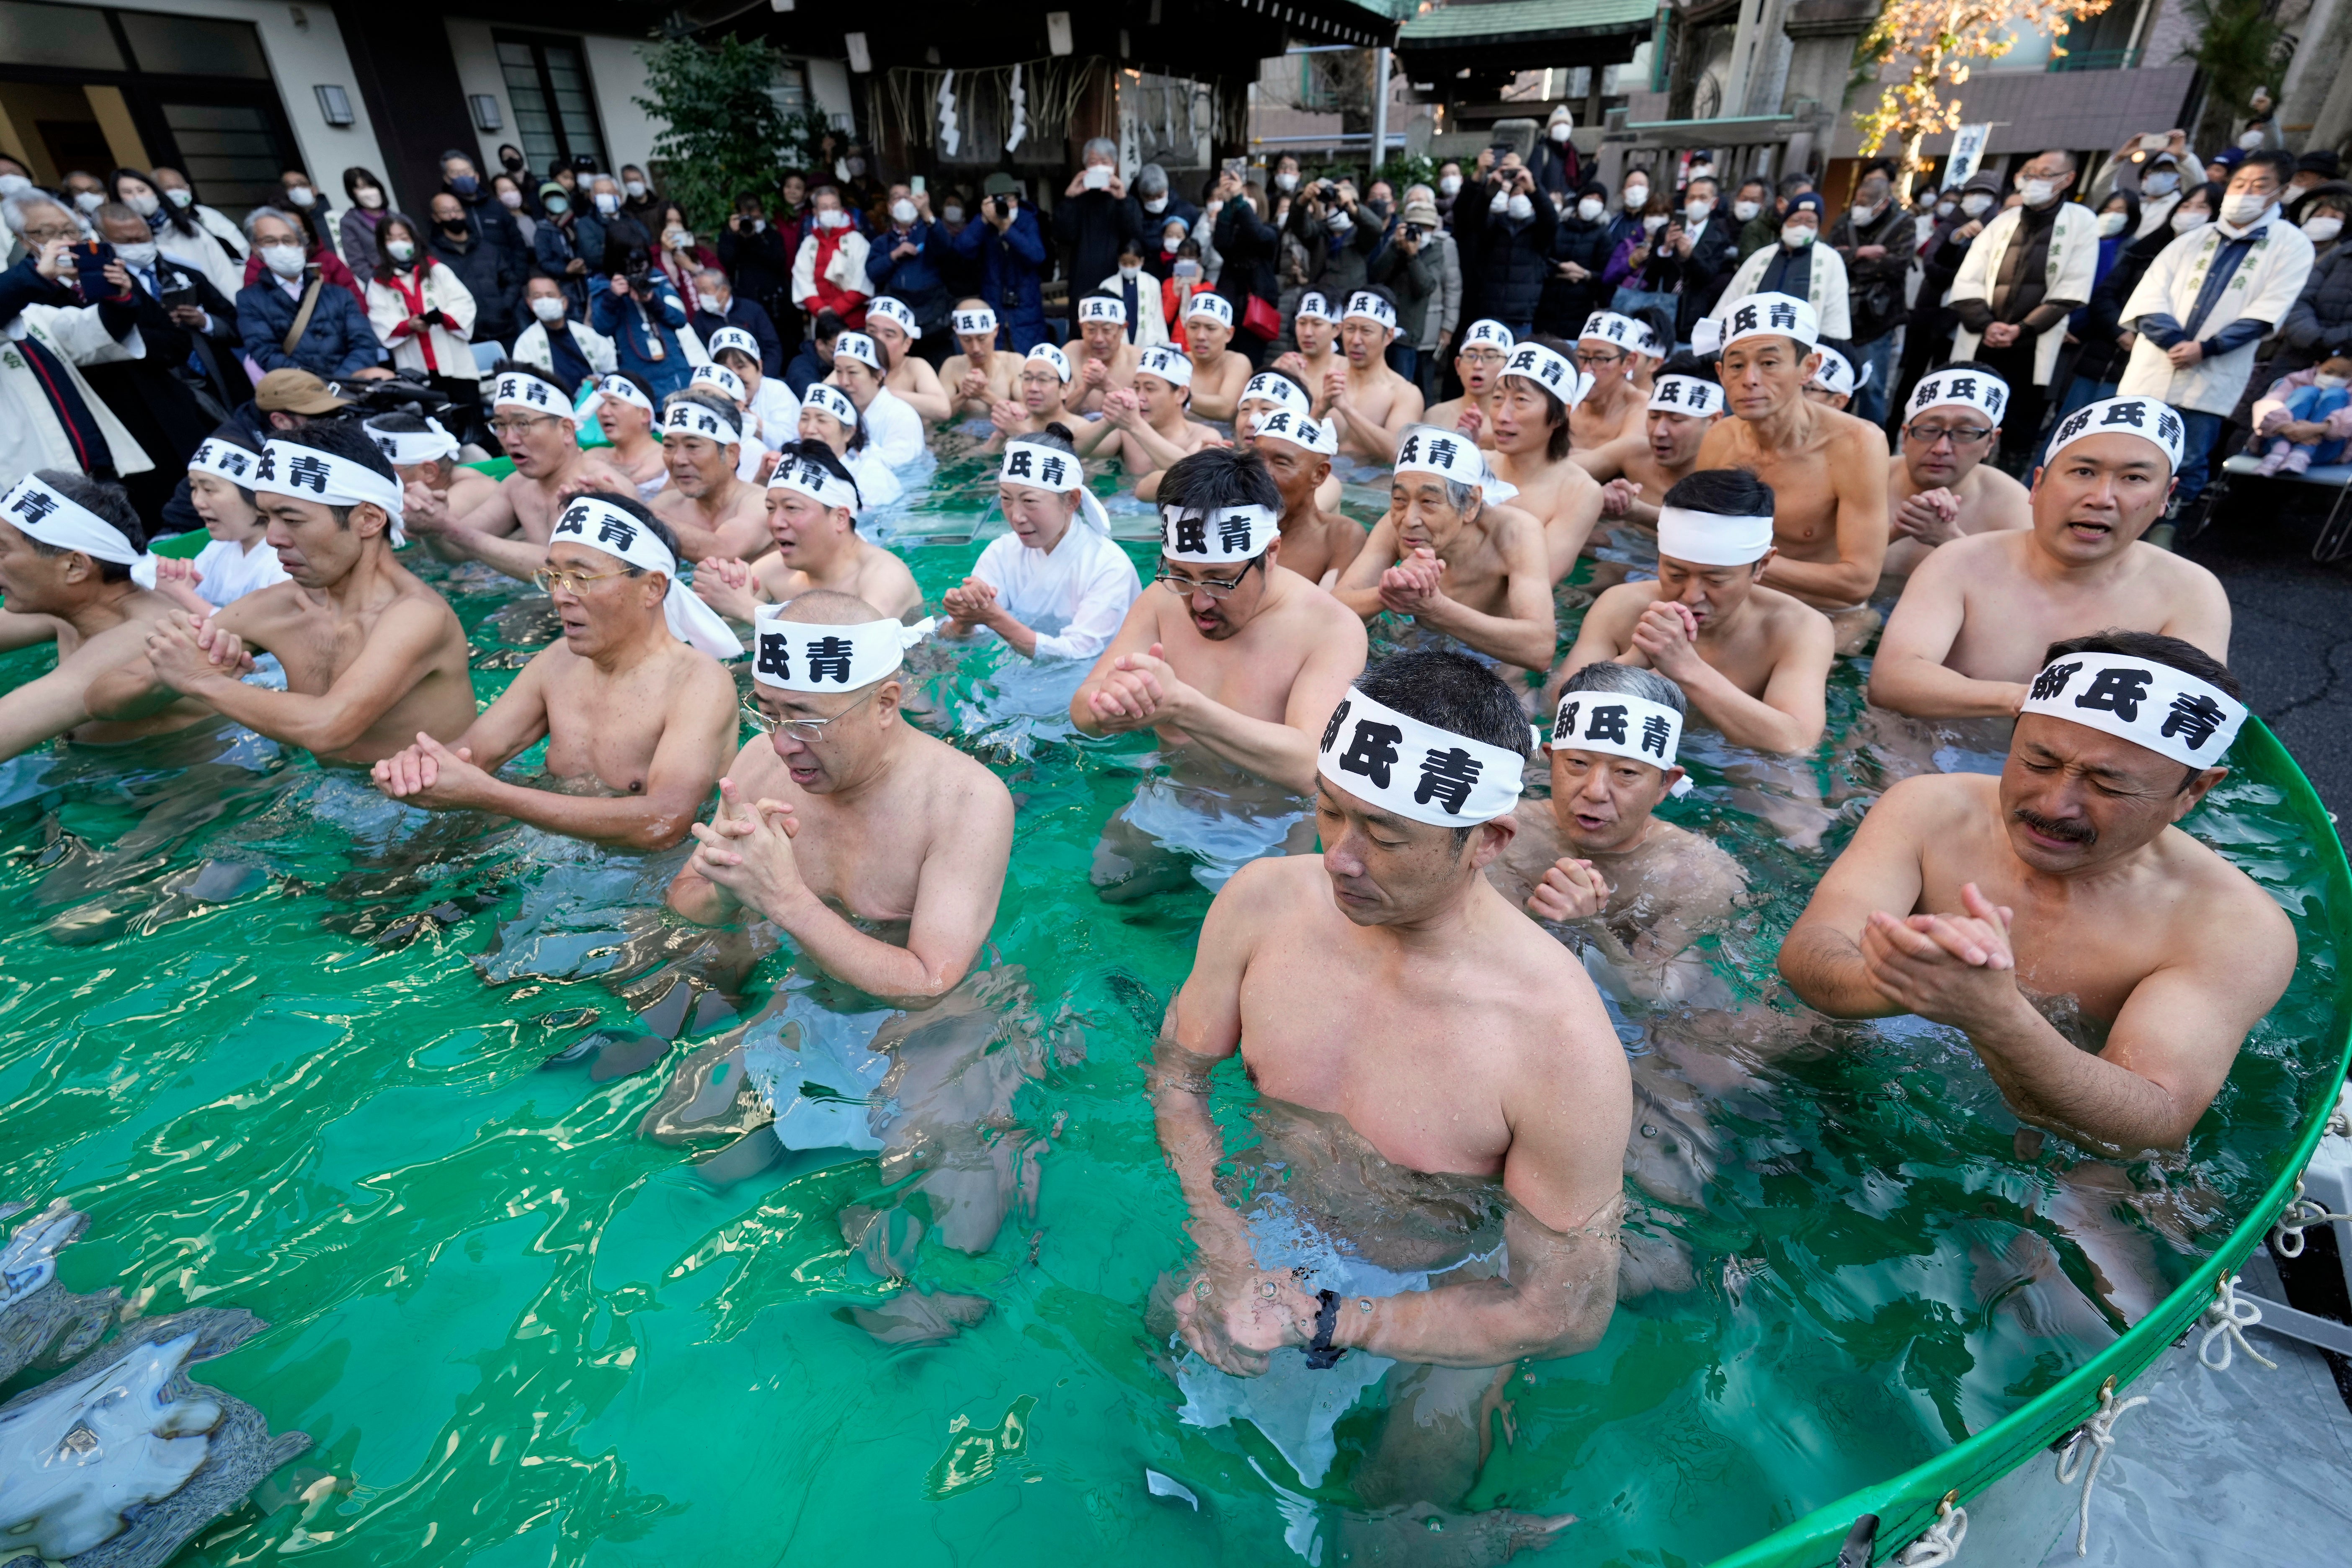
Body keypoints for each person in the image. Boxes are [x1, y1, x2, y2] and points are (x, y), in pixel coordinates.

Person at [1152, 649, 1627, 1524]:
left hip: (1446, 1290)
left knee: (1397, 1519)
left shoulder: (1557, 1042)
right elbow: (1178, 1077)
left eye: (1386, 835)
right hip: (1267, 1231)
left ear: (1489, 840)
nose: (1340, 857)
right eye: (1329, 813)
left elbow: (1563, 1310)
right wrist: (1223, 1246)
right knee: (1155, 1384)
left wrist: (1343, 1321)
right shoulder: (1264, 903)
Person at [1781, 632, 2292, 1155]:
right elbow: (1810, 953)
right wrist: (1908, 984)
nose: (2054, 805)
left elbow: (2155, 1121)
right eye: (2039, 762)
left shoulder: (2234, 927)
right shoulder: (1930, 810)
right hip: (1880, 1054)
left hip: (2057, 1142)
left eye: (2107, 786)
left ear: (2194, 792)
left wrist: (1997, 1017)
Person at [666, 591, 1014, 1005]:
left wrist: (785, 899)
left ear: (885, 704)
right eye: (768, 714)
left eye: (805, 721)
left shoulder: (967, 802)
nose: (781, 745)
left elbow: (931, 983)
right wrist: (725, 892)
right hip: (786, 985)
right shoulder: (759, 761)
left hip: (911, 1018)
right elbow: (682, 899)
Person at [1073, 445, 1368, 897]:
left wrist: (1183, 707)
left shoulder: (1331, 628)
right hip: (1171, 795)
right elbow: (1082, 708)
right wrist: (1109, 707)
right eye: (1181, 575)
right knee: (1109, 892)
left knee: (1254, 937)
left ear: (1271, 553)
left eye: (1219, 579)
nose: (1199, 601)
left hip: (1271, 819)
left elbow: (1312, 767)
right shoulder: (1163, 599)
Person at [85, 423, 477, 764]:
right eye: (268, 517)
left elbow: (328, 727)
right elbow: (101, 698)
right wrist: (169, 674)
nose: (273, 538)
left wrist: (202, 680)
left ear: (369, 520)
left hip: (445, 825)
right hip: (337, 804)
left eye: (292, 519)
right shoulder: (278, 607)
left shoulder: (416, 616)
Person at [372, 493, 739, 849]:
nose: (560, 596)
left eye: (581, 579)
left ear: (652, 588)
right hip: (550, 853)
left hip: (647, 877)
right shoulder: (559, 659)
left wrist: (496, 796)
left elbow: (665, 822)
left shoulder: (699, 684)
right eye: (554, 576)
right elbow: (476, 751)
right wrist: (417, 767)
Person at [1869, 396, 2231, 720]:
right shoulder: (1961, 561)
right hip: (1924, 761)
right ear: (2038, 484)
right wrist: (2033, 699)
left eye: (2134, 478)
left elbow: (2189, 720)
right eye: (2083, 472)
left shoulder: (2191, 593)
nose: (2102, 497)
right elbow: (1892, 679)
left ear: (2166, 496)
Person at [1486, 663, 1744, 1003]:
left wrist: (1588, 928)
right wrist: (1543, 919)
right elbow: (1480, 958)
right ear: (1550, 760)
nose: (1595, 791)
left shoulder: (1700, 875)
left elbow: (1652, 1003)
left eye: (1626, 772)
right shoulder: (1502, 833)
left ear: (1666, 784)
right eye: (1578, 764)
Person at [1555, 468, 1832, 754]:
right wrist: (1630, 665)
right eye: (1676, 574)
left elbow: (1798, 743)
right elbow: (1555, 709)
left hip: (1735, 763)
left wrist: (1687, 668)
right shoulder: (1622, 606)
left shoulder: (1799, 628)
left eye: (1715, 581)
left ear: (1761, 566)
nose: (1691, 595)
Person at [2119, 150, 2315, 521]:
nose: (2246, 193)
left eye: (2260, 186)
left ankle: (2166, 530)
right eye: (2240, 184)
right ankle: (2125, 523)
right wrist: (2171, 339)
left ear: (2282, 191)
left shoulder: (2291, 244)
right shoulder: (2196, 237)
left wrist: (2207, 348)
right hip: (2156, 363)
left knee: (2189, 457)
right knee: (2131, 444)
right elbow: (2151, 293)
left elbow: (2268, 310)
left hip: (2212, 372)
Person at [1694, 292, 1890, 651]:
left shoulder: (1858, 444)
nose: (1750, 379)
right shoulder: (1720, 438)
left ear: (1809, 368)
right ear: (1721, 374)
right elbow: (1695, 540)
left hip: (1826, 614)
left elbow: (1859, 582)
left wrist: (1739, 560)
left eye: (1769, 363)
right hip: (1737, 605)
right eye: (1736, 366)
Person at [0, 470, 226, 759]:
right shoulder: (71, 608)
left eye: (2, 551)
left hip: (179, 793)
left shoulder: (147, 636)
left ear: (74, 567)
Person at [1333, 424, 1554, 674]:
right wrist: (1387, 595)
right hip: (1421, 645)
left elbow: (1540, 649)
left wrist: (1436, 608)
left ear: (1470, 504)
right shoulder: (1396, 524)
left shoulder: (1516, 533)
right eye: (1399, 500)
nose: (1409, 519)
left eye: (1429, 502)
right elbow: (1334, 607)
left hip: (1493, 663)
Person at [74, 204, 236, 525]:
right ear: (104, 240)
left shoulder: (178, 271)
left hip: (194, 393)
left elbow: (178, 339)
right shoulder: (90, 286)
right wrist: (121, 340)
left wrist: (202, 321)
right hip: (130, 418)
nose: (138, 246)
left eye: (142, 237)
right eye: (127, 240)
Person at [400, 366, 632, 577]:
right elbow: (454, 551)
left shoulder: (603, 486)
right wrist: (430, 527)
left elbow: (565, 571)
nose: (510, 440)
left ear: (566, 430)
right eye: (501, 426)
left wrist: (449, 528)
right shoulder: (517, 486)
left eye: (523, 425)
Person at [941, 429, 1141, 663]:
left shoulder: (1109, 566)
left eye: (1029, 502)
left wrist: (994, 618)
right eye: (1006, 499)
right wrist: (964, 620)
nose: (1016, 516)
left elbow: (1079, 653)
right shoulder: (1001, 553)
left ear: (1071, 501)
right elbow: (960, 639)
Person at [1948, 151, 2100, 453]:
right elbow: (1968, 279)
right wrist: (1986, 324)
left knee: (2017, 432)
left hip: (2030, 347)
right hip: (1983, 340)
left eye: (2044, 174)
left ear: (2067, 180)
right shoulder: (2003, 221)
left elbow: (2072, 289)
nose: (2032, 181)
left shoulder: (2081, 221)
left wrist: (2022, 329)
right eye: (2028, 173)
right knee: (1966, 421)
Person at [691, 441, 921, 625]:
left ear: (840, 518)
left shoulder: (885, 575)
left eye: (792, 508)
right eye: (771, 509)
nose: (776, 522)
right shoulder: (773, 571)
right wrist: (715, 595)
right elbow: (721, 639)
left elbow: (858, 647)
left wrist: (743, 606)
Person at [1883, 365, 2032, 582]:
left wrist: (1949, 540)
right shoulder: (1865, 478)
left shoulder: (2013, 505)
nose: (1942, 448)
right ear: (1905, 436)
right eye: (1929, 431)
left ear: (1991, 441)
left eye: (1965, 433)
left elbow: (2023, 597)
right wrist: (1897, 530)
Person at [1485, 340, 1606, 579]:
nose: (1502, 415)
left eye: (1521, 401)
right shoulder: (1477, 464)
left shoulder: (1580, 492)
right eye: (1498, 398)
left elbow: (1537, 583)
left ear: (1560, 415)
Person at [139, 432, 289, 614]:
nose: (197, 502)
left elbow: (257, 632)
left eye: (209, 489)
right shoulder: (217, 550)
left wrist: (180, 593)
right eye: (194, 488)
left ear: (258, 500)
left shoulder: (285, 561)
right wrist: (174, 577)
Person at [234, 207, 387, 383]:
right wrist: (315, 386)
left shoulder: (340, 295)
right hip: (298, 393)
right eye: (270, 241)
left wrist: (339, 383)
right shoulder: (250, 300)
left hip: (350, 387)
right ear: (256, 248)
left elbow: (364, 344)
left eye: (288, 240)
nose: (282, 247)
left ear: (302, 245)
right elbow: (266, 353)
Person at [1573, 354, 1723, 531]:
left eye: (1676, 420)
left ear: (1713, 421)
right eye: (1654, 417)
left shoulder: (1728, 474)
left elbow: (1713, 531)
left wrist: (1636, 511)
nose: (1659, 431)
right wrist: (1594, 492)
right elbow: (1555, 473)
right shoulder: (1634, 453)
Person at [1825, 160, 1911, 426]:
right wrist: (1860, 254)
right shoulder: (1844, 221)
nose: (1860, 210)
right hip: (1841, 316)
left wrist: (1849, 261)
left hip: (1877, 319)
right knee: (1835, 383)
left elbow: (1898, 265)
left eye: (1867, 205)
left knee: (1873, 388)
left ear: (1884, 204)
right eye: (1858, 203)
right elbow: (1829, 258)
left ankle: (1872, 442)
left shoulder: (1903, 224)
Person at [637, 389, 769, 560]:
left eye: (692, 446)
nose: (678, 460)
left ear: (731, 454)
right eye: (669, 446)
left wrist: (646, 521)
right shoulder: (665, 506)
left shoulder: (762, 503)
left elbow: (724, 550)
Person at [368, 211, 482, 402]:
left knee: (468, 418)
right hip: (415, 367)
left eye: (404, 238)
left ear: (414, 239)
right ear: (382, 245)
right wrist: (408, 325)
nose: (398, 244)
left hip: (455, 363)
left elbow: (464, 303)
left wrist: (443, 318)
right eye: (391, 239)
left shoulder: (438, 270)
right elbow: (380, 317)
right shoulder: (379, 282)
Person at [1708, 193, 1852, 343]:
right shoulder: (1761, 257)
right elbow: (1733, 297)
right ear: (1784, 226)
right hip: (1752, 340)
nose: (1801, 226)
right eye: (1796, 220)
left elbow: (1836, 312)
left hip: (1800, 346)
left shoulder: (1830, 259)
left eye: (1810, 222)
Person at [1246, 407, 1361, 588]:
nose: (1263, 474)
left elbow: (1333, 611)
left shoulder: (1339, 537)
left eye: (1281, 463)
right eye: (1256, 460)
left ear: (1319, 475)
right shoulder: (1225, 517)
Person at [1070, 344, 1220, 478]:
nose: (1140, 398)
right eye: (1136, 388)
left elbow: (1192, 475)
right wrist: (1109, 420)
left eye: (1150, 389)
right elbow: (1072, 449)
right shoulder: (1127, 434)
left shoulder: (1203, 437)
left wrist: (1135, 426)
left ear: (1181, 394)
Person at [1324, 288, 1426, 462]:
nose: (1356, 340)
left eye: (1366, 331)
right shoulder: (1329, 378)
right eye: (1350, 329)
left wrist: (1346, 409)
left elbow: (1398, 453)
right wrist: (1320, 407)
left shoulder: (1405, 393)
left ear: (1388, 336)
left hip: (1372, 484)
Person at [949, 175, 1050, 352]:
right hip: (995, 310)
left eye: (1011, 199)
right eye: (1000, 200)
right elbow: (961, 250)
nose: (1008, 205)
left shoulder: (1027, 220)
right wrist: (983, 220)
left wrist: (1007, 229)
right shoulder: (982, 223)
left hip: (1026, 313)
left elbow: (1037, 256)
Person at [111, 166, 241, 301]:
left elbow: (224, 273)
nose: (137, 197)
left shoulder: (189, 228)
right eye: (127, 192)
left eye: (141, 190)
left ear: (155, 192)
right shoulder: (124, 245)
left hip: (216, 308)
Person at [1468, 157, 1558, 337]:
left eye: (1525, 194)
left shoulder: (1539, 232)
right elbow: (1475, 220)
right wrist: (1487, 194)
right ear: (1508, 201)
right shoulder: (1495, 226)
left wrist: (1534, 189)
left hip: (1521, 318)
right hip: (1490, 314)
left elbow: (1551, 219)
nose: (1520, 197)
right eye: (1516, 193)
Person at [425, 193, 518, 356]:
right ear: (436, 217)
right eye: (446, 212)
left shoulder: (487, 248)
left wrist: (505, 306)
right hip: (466, 333)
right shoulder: (432, 256)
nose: (454, 216)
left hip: (504, 327)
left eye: (457, 210)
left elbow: (511, 281)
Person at [863, 183, 951, 347]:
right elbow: (873, 273)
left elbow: (946, 248)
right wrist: (894, 255)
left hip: (933, 317)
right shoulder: (882, 242)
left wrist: (927, 214)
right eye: (897, 197)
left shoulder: (930, 231)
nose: (903, 201)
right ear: (890, 208)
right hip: (898, 318)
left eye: (908, 196)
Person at [1057, 139, 1140, 310]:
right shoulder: (1077, 201)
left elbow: (1135, 235)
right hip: (1083, 281)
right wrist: (1070, 199)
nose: (1099, 167)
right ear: (1085, 167)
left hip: (1117, 278)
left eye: (1105, 162)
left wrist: (1122, 200)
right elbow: (1063, 235)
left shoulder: (1126, 200)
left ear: (1114, 167)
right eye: (1094, 162)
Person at [826, 331, 926, 467]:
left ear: (879, 375)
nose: (844, 382)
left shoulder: (902, 416)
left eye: (853, 373)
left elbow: (903, 470)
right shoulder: (835, 412)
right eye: (838, 371)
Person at [706, 325, 801, 466]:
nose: (735, 376)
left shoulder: (776, 391)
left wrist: (748, 418)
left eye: (741, 366)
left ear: (760, 366)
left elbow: (791, 443)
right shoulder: (710, 397)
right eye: (726, 370)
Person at [799, 381, 903, 509]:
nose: (810, 429)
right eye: (804, 419)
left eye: (822, 420)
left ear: (848, 433)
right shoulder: (792, 465)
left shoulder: (870, 476)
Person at [2249, 351, 2352, 473]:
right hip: (2276, 443)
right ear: (2318, 365)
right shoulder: (2294, 381)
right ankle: (2279, 452)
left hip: (2323, 449)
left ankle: (2302, 454)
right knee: (2308, 392)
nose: (2334, 378)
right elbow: (2266, 406)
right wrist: (2287, 427)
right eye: (2329, 372)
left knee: (2336, 395)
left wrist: (2318, 429)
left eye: (2344, 376)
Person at [511, 273, 616, 390]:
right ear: (531, 304)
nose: (545, 301)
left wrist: (600, 381)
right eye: (537, 297)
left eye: (550, 296)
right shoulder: (526, 343)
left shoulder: (587, 334)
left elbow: (611, 369)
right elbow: (524, 384)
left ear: (564, 302)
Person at [1571, 310, 1657, 448]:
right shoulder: (1566, 398)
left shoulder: (1641, 408)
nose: (1587, 370)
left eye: (1600, 359)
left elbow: (1618, 457)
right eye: (1581, 357)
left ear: (1628, 363)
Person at [575, 373, 667, 500]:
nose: (604, 413)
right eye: (600, 405)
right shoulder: (590, 457)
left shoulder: (671, 459)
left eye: (614, 404)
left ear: (644, 415)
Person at [793, 185, 873, 333]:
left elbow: (864, 281)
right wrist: (820, 310)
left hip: (856, 321)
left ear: (842, 210)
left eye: (834, 206)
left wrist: (836, 310)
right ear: (815, 213)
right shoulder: (809, 243)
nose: (830, 211)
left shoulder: (857, 240)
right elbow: (802, 279)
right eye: (824, 207)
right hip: (823, 322)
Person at [1421, 318, 1514, 444]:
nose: (1478, 365)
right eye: (1471, 356)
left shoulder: (1515, 423)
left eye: (1490, 357)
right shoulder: (1434, 416)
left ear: (1508, 367)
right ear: (1458, 365)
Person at [860, 296, 951, 423]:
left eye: (889, 335)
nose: (878, 341)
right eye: (872, 332)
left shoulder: (914, 367)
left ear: (907, 344)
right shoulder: (855, 363)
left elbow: (943, 409)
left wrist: (882, 395)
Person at [689, 266, 782, 380]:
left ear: (724, 291)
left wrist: (764, 378)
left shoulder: (753, 310)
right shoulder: (700, 319)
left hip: (761, 375)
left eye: (706, 291)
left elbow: (772, 348)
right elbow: (703, 356)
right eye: (699, 292)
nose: (701, 296)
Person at [1174, 291, 1253, 420]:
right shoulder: (1179, 361)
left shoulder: (1237, 362)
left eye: (1211, 329)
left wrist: (1174, 395)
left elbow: (1226, 408)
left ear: (1229, 334)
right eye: (1194, 327)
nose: (1200, 336)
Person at [1065, 292, 1142, 415]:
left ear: (1123, 329)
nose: (1099, 339)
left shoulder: (1138, 359)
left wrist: (1108, 385)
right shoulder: (1071, 353)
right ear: (1081, 328)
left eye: (1107, 330)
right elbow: (1058, 414)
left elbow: (1145, 417)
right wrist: (1086, 388)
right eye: (1091, 330)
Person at [531, 179, 597, 321]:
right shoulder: (543, 230)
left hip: (589, 282)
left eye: (559, 196)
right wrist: (566, 270)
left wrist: (584, 263)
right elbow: (544, 261)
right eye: (549, 198)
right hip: (565, 288)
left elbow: (590, 248)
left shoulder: (580, 223)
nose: (555, 200)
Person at [940, 301, 1019, 417]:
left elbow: (1029, 412)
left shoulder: (1014, 362)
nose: (976, 349)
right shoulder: (952, 366)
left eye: (982, 339)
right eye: (967, 340)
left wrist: (984, 394)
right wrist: (964, 395)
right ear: (957, 335)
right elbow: (938, 416)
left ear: (995, 331)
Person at [1271, 289, 1341, 405]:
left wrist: (1299, 376)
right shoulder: (1284, 363)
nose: (1307, 333)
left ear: (1337, 330)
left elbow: (1332, 418)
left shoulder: (1346, 369)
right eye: (1302, 323)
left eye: (1317, 324)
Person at [785, 307, 843, 399]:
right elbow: (814, 398)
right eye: (837, 348)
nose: (843, 352)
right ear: (820, 345)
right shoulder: (800, 367)